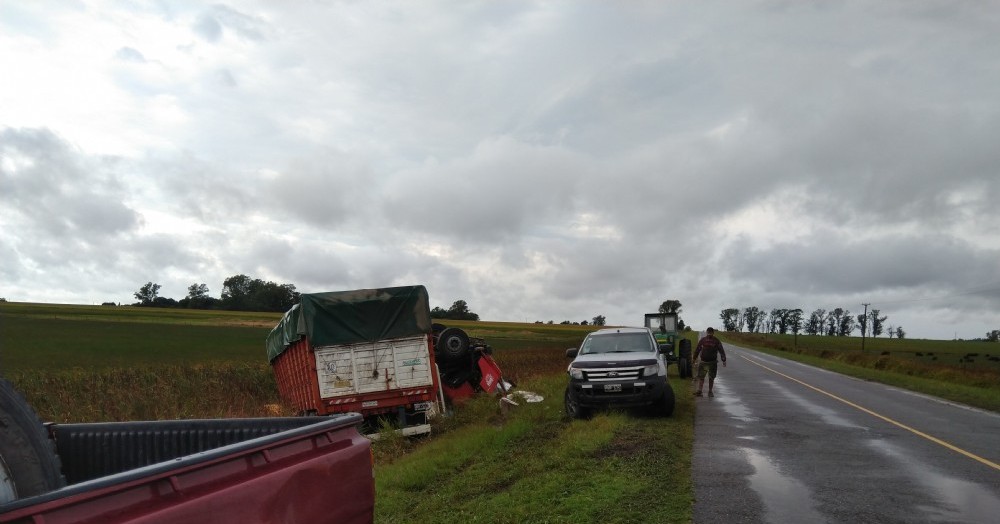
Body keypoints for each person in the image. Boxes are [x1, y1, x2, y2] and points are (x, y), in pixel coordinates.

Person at [693, 327, 726, 397]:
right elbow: (697, 349)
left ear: (711, 333)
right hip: (706, 362)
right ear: (708, 332)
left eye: (710, 333)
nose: (710, 334)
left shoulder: (708, 340)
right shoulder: (710, 340)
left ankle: (708, 391)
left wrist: (724, 359)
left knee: (710, 377)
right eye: (709, 333)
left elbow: (721, 350)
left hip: (711, 362)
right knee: (704, 377)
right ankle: (702, 391)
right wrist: (724, 360)